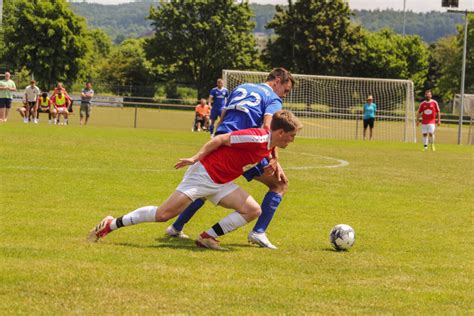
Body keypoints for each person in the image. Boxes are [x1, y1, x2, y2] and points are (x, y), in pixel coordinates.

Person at [87, 110, 302, 250]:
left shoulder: (270, 144)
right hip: (204, 174)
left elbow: (263, 151)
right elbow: (221, 139)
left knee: (253, 210)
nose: (293, 140)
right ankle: (110, 223)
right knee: (164, 214)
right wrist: (196, 157)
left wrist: (272, 161)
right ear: (281, 132)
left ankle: (207, 237)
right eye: (292, 135)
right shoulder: (256, 137)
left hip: (221, 183)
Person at [166, 67, 294, 249]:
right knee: (280, 184)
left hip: (222, 140)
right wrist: (275, 159)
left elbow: (224, 116)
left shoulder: (243, 87)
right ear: (277, 80)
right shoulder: (272, 98)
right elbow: (268, 129)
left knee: (208, 184)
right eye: (285, 90)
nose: (284, 96)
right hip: (244, 147)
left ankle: (176, 227)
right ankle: (258, 232)